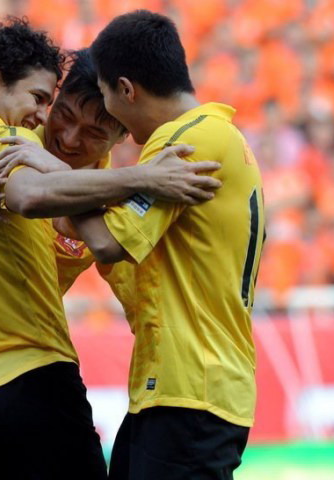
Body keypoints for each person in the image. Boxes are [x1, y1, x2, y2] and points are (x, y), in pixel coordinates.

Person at [0, 46, 220, 478]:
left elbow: (134, 289)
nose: (69, 139)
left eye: (94, 132)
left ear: (120, 137)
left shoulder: (108, 207)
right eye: (63, 114)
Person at [68, 11, 264, 479]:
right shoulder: (218, 134)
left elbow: (107, 241)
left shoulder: (183, 142)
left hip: (192, 388)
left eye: (105, 96)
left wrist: (47, 175)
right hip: (180, 388)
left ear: (126, 89)